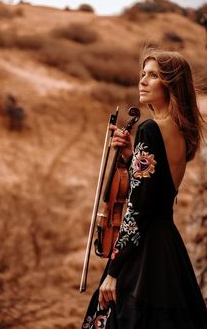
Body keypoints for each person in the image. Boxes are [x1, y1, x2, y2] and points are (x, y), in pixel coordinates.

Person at [81, 48, 207, 328]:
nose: (143, 81)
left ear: (170, 84)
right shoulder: (183, 131)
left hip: (142, 251)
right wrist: (130, 155)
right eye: (143, 74)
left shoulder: (150, 129)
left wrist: (114, 271)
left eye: (153, 76)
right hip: (168, 247)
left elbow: (138, 207)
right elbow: (158, 188)